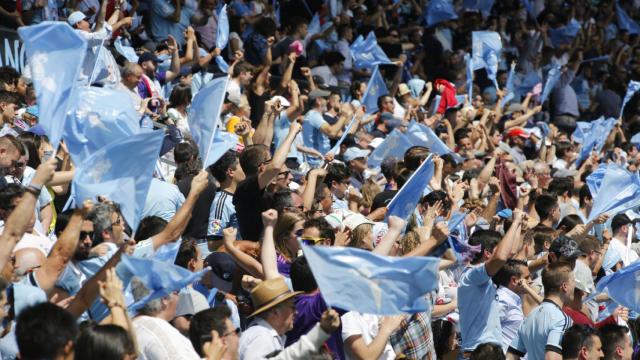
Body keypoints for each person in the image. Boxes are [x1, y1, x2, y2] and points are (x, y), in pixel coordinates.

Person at [458, 210, 524, 355]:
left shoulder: (482, 275)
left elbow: (510, 252)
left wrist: (518, 223)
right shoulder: (472, 275)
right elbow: (501, 257)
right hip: (476, 353)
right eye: (498, 247)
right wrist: (515, 222)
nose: (504, 251)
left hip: (488, 352)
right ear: (487, 253)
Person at [507, 262, 575, 360]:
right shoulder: (562, 320)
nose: (575, 286)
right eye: (573, 281)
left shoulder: (528, 318)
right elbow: (552, 357)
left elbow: (510, 357)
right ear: (564, 286)